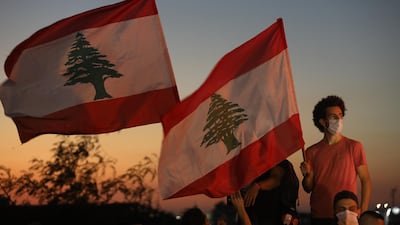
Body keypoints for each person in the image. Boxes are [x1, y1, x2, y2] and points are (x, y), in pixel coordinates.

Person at [300, 95, 371, 225]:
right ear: (322, 121)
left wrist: (363, 211)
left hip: (346, 216)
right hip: (320, 215)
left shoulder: (354, 146)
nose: (338, 119)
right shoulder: (311, 152)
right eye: (333, 116)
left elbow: (365, 180)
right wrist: (308, 176)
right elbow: (308, 187)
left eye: (340, 115)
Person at [242, 159, 299, 225]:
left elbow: (276, 179)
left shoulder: (280, 162)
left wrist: (257, 186)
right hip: (272, 216)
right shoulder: (285, 165)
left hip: (271, 217)